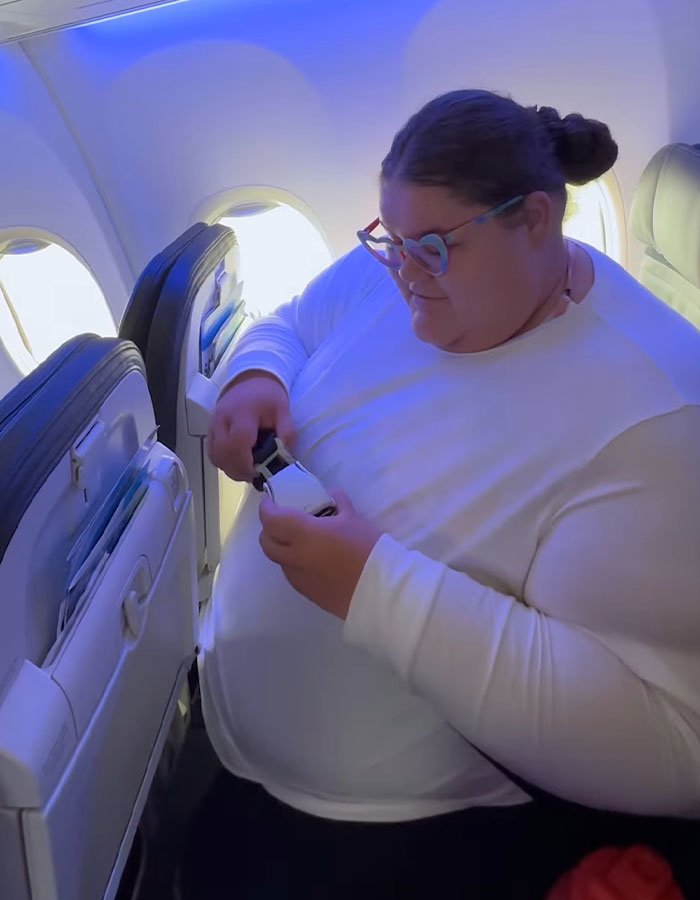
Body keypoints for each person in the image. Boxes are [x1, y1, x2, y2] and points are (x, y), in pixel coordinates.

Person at [181, 90, 700, 898]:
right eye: (386, 239)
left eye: (429, 248)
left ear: (535, 220)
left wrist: (376, 590)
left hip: (398, 834)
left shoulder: (655, 416)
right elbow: (292, 320)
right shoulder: (395, 268)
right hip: (240, 750)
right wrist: (256, 375)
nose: (400, 275)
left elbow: (675, 747)